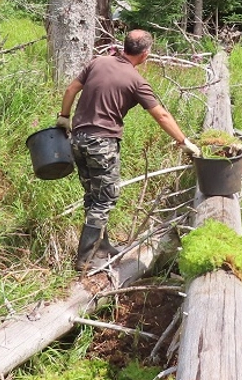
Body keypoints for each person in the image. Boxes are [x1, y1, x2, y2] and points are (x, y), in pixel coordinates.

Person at [57, 30, 201, 271]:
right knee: (105, 199)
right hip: (102, 145)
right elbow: (162, 116)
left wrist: (64, 117)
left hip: (77, 140)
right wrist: (184, 141)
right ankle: (85, 259)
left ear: (124, 47)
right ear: (145, 54)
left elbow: (71, 89)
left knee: (93, 196)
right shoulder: (137, 81)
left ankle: (101, 247)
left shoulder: (98, 62)